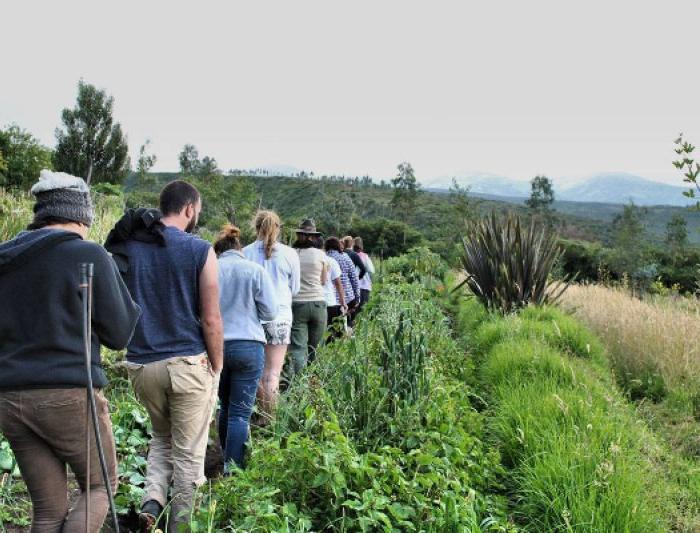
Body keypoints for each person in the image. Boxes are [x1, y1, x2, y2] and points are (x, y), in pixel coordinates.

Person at [0, 170, 141, 533]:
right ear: (81, 214)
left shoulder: (5, 257)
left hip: (9, 396)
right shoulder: (87, 254)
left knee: (48, 511)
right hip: (68, 394)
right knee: (99, 486)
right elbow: (120, 333)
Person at [118, 180, 223, 532]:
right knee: (189, 455)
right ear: (190, 209)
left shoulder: (129, 247)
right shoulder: (199, 249)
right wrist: (217, 365)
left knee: (161, 438)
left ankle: (149, 510)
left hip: (142, 364)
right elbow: (211, 318)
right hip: (188, 365)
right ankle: (180, 527)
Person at [214, 224, 278, 471]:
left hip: (217, 345)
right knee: (240, 412)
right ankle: (233, 468)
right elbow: (270, 312)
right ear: (239, 249)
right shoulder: (255, 270)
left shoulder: (211, 270)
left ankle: (223, 456)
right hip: (249, 345)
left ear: (218, 252)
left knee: (225, 406)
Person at [243, 211, 300, 419]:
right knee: (273, 375)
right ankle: (271, 420)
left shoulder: (245, 252)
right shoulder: (289, 254)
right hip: (281, 319)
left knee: (256, 375)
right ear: (278, 228)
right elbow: (295, 289)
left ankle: (256, 416)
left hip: (253, 319)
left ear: (255, 227)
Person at [289, 220, 328, 373]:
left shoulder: (291, 254)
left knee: (298, 347)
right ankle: (315, 380)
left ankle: (300, 383)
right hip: (318, 302)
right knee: (315, 347)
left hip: (297, 303)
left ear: (300, 236)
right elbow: (324, 280)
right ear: (312, 237)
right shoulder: (321, 255)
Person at [325, 236, 360, 335]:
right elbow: (354, 278)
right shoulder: (345, 257)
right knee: (345, 327)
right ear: (337, 246)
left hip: (329, 300)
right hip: (347, 298)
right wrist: (357, 299)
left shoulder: (324, 258)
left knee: (329, 329)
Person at [323, 243, 347, 339]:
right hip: (329, 302)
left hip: (306, 301)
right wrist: (343, 302)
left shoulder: (299, 257)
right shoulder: (330, 261)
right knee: (331, 334)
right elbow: (338, 283)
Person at [353, 236, 375, 312]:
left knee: (354, 309)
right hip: (364, 285)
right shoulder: (365, 256)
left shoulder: (350, 255)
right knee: (363, 309)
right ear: (361, 245)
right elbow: (371, 270)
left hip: (353, 285)